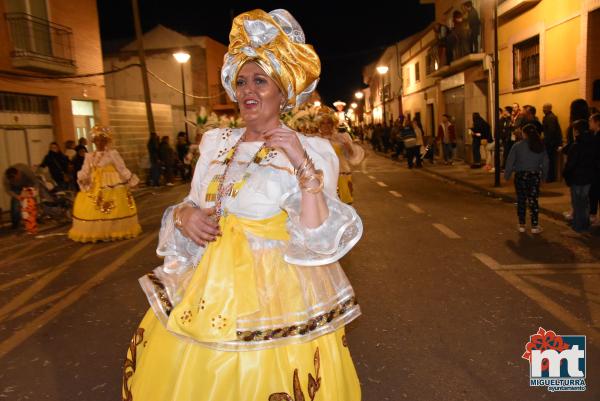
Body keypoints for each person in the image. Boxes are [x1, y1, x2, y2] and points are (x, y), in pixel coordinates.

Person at [122, 9, 363, 401]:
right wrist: (185, 217)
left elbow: (319, 237)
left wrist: (300, 161)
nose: (248, 90)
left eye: (260, 81)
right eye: (242, 81)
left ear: (282, 91)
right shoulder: (216, 143)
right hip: (208, 288)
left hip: (275, 295)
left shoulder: (314, 151)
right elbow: (192, 200)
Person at [68, 126, 141, 242]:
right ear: (93, 141)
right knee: (93, 208)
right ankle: (99, 231)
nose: (100, 142)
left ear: (107, 141)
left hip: (112, 183)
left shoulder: (112, 154)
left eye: (102, 140)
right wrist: (82, 177)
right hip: (95, 183)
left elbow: (121, 168)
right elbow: (85, 170)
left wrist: (130, 179)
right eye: (97, 140)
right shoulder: (89, 156)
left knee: (115, 208)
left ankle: (114, 230)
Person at [504, 124, 549, 234]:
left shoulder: (517, 146)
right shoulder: (540, 146)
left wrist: (507, 175)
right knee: (533, 200)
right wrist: (544, 176)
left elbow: (510, 162)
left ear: (524, 134)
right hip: (534, 175)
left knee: (521, 200)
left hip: (520, 175)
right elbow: (546, 162)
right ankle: (534, 225)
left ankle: (522, 224)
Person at [315, 106, 364, 204]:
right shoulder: (314, 139)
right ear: (319, 125)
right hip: (322, 178)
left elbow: (351, 155)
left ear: (333, 124)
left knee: (344, 205)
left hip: (341, 175)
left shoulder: (342, 137)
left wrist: (348, 147)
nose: (326, 125)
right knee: (324, 207)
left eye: (329, 122)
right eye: (323, 123)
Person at [563, 119, 597, 233]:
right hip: (588, 177)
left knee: (577, 203)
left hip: (577, 178)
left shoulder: (576, 145)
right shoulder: (593, 142)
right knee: (585, 201)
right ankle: (585, 224)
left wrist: (566, 175)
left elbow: (571, 164)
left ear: (576, 131)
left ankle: (578, 226)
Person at [3, 164, 37, 230]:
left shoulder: (25, 170)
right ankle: (15, 224)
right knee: (15, 206)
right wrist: (17, 197)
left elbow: (35, 181)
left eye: (16, 178)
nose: (15, 180)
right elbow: (8, 190)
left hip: (27, 184)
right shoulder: (6, 179)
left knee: (31, 204)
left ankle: (34, 220)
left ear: (18, 173)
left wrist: (34, 190)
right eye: (13, 180)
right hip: (15, 189)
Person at [542, 103, 562, 182]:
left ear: (549, 108)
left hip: (551, 143)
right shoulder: (549, 117)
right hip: (551, 142)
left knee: (550, 160)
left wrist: (546, 141)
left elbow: (551, 131)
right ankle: (550, 176)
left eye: (545, 108)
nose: (543, 109)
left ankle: (550, 177)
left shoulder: (550, 118)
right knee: (550, 160)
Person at [589, 113, 600, 224]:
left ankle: (593, 214)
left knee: (595, 191)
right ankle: (592, 213)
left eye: (591, 121)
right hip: (595, 168)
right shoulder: (594, 135)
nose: (589, 124)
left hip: (596, 168)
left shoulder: (597, 136)